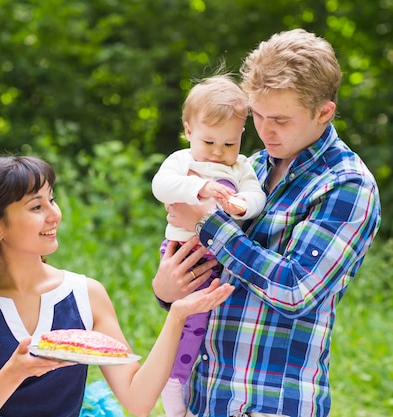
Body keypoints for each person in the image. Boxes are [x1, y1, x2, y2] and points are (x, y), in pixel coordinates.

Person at [152, 29, 382, 417]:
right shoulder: (252, 168)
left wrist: (209, 221)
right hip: (205, 397)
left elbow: (296, 291)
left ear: (323, 112)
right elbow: (214, 273)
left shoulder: (346, 185)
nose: (264, 130)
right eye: (256, 115)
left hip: (268, 403)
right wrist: (167, 288)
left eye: (280, 119)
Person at [0, 155, 234, 417]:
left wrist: (177, 316)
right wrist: (15, 371)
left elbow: (137, 400)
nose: (54, 215)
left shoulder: (85, 294)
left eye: (52, 199)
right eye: (36, 207)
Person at [151, 74, 266, 417]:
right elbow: (162, 186)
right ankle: (173, 387)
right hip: (183, 253)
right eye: (209, 141)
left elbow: (256, 194)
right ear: (188, 129)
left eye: (229, 144)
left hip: (221, 261)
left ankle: (191, 388)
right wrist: (199, 190)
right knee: (188, 324)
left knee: (209, 327)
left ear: (241, 136)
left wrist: (243, 205)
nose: (218, 152)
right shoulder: (182, 161)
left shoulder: (242, 165)